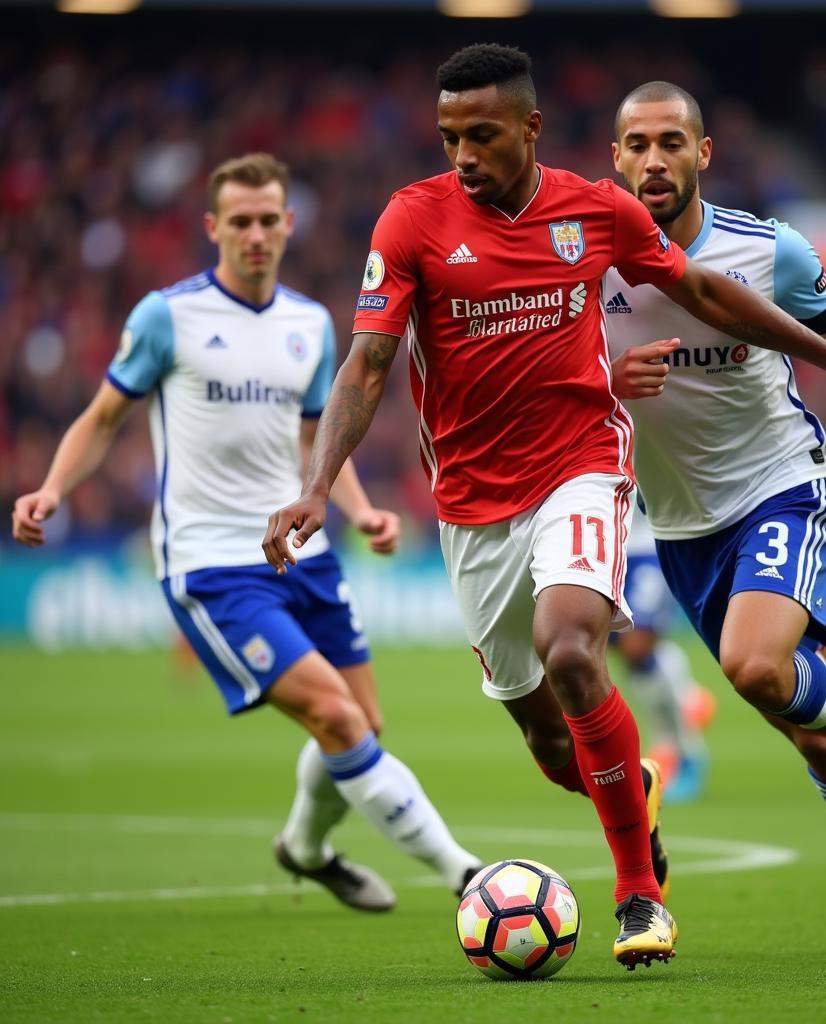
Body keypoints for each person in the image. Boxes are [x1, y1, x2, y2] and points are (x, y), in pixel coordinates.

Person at [261, 45, 826, 970]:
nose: (463, 155)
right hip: (471, 502)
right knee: (545, 734)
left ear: (530, 128)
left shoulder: (593, 209)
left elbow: (699, 288)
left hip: (582, 465)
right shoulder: (411, 221)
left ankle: (638, 898)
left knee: (572, 647)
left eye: (483, 135)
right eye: (450, 136)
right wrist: (315, 486)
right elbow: (368, 363)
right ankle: (635, 797)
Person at [11, 152, 481, 912]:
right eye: (240, 222)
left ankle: (303, 847)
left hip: (306, 554)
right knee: (335, 715)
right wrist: (53, 488)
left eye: (269, 220)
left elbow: (313, 441)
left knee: (363, 722)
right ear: (213, 228)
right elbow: (104, 417)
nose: (256, 234)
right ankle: (467, 875)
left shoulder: (308, 325)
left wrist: (357, 510)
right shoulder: (168, 316)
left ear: (289, 224)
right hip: (212, 563)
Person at [606, 81, 826, 956]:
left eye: (670, 142)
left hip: (781, 485)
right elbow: (558, 383)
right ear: (613, 158)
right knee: (809, 747)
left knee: (755, 667)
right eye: (635, 145)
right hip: (682, 526)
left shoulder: (771, 252)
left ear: (704, 154)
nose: (653, 160)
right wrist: (611, 385)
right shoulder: (588, 265)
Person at [611, 510, 714, 803]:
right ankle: (687, 697)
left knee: (637, 645)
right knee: (621, 646)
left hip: (649, 546)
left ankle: (686, 754)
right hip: (604, 546)